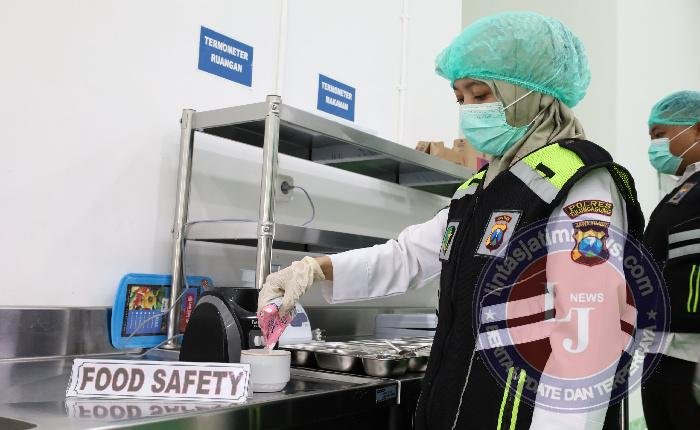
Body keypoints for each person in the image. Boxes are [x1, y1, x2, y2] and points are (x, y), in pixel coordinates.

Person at [259, 12, 645, 429]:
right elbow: (406, 257)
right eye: (461, 98)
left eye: (481, 95)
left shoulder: (580, 182)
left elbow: (590, 335)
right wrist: (314, 269)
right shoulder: (479, 189)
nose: (469, 111)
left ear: (531, 93)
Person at [642, 90, 700, 429]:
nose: (654, 146)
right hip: (662, 344)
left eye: (660, 134)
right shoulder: (683, 189)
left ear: (696, 130)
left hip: (691, 348)